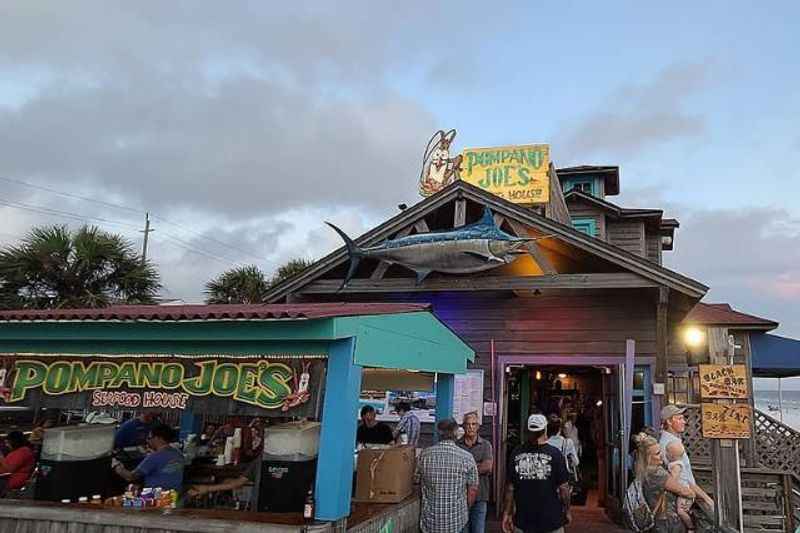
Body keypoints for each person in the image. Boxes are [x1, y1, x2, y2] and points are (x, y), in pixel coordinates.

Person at [503, 414, 571, 533]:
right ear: (545, 429)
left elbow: (510, 488)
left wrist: (507, 513)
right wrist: (567, 511)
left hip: (523, 521)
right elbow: (564, 488)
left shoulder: (516, 453)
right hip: (551, 521)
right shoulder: (555, 454)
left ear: (528, 431)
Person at [415, 418, 479, 533]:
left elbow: (416, 481)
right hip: (456, 521)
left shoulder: (424, 455)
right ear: (456, 433)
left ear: (438, 433)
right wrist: (465, 508)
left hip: (430, 522)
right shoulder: (467, 457)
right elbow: (472, 490)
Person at [633, 432, 695, 533]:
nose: (662, 455)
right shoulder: (656, 473)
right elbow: (683, 491)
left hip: (658, 521)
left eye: (660, 451)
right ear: (648, 457)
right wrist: (692, 494)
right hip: (666, 522)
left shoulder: (643, 470)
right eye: (657, 453)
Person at [659, 405, 713, 511]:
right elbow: (684, 479)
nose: (684, 422)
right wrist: (707, 499)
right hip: (682, 498)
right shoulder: (672, 445)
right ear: (669, 422)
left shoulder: (669, 440)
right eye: (679, 419)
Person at [113, 424, 184, 491]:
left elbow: (130, 477)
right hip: (174, 495)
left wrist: (116, 465)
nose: (147, 441)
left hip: (157, 497)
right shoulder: (178, 453)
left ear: (158, 438)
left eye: (149, 438)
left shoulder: (155, 457)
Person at [457, 411, 493, 533]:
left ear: (478, 426)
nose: (470, 427)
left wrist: (465, 469)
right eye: (467, 424)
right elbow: (456, 469)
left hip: (480, 495)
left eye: (473, 424)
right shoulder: (457, 445)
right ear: (463, 426)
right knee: (463, 530)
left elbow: (487, 466)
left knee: (478, 530)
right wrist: (477, 466)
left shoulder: (486, 445)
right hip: (460, 497)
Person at [187, 459, 259, 510]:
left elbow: (237, 483)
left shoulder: (257, 462)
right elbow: (237, 482)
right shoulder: (258, 460)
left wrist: (208, 488)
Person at [665, 443, 695, 531]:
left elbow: (673, 479)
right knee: (683, 510)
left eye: (667, 451)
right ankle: (690, 514)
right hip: (684, 491)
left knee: (680, 511)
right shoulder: (675, 463)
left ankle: (691, 527)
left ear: (671, 455)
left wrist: (666, 477)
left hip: (684, 493)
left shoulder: (676, 466)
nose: (665, 453)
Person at [0, 431, 35, 497]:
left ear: (14, 442)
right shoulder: (18, 451)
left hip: (11, 480)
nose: (6, 445)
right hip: (6, 478)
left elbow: (9, 469)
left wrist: (1, 458)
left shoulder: (23, 452)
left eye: (7, 443)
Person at [546, 415, 579, 480]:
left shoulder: (544, 443)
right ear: (560, 429)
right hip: (562, 477)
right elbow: (576, 462)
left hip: (548, 476)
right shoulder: (567, 442)